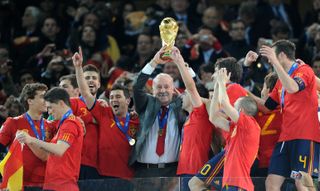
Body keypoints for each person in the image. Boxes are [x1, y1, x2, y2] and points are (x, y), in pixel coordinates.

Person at [246, 39, 320, 191]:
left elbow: (292, 87)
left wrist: (276, 63)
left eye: (271, 57)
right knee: (271, 183)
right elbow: (267, 107)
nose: (269, 61)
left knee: (301, 182)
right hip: (285, 138)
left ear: (281, 55)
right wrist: (243, 91)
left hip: (304, 137)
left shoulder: (304, 70)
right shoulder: (281, 80)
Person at [73, 47, 139, 190]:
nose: (114, 99)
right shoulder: (104, 112)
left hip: (127, 176)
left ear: (128, 100)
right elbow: (85, 93)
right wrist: (78, 68)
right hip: (102, 175)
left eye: (118, 97)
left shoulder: (136, 120)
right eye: (112, 97)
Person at [192, 68, 260, 191]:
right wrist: (218, 86)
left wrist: (222, 82)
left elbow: (224, 103)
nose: (231, 108)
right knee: (195, 185)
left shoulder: (250, 124)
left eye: (234, 106)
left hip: (239, 185)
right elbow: (213, 117)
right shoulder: (237, 128)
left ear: (241, 112)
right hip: (231, 183)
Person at [16, 87, 84, 191]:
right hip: (56, 184)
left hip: (62, 185)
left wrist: (32, 140)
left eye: (51, 107)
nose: (49, 112)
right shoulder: (63, 123)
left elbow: (59, 150)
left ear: (61, 103)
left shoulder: (70, 123)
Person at [170, 46, 217, 191]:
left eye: (184, 94)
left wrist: (179, 62)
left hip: (196, 170)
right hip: (183, 170)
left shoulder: (200, 113)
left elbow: (191, 87)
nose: (181, 97)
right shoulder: (189, 117)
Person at [0, 83, 54, 189]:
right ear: (30, 101)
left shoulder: (51, 126)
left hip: (47, 184)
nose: (47, 100)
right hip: (20, 184)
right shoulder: (13, 123)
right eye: (43, 97)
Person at [59, 67, 101, 180]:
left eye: (94, 78)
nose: (91, 80)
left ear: (99, 84)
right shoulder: (73, 103)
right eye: (87, 78)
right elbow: (54, 117)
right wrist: (75, 119)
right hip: (74, 162)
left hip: (97, 165)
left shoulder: (104, 106)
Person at [254, 72, 281, 176]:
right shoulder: (287, 110)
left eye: (263, 87)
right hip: (282, 164)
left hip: (261, 163)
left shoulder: (254, 110)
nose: (261, 91)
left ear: (269, 91)